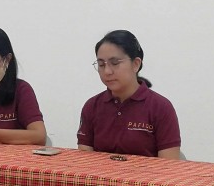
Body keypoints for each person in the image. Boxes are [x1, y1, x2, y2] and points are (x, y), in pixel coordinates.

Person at [77, 30, 181, 159]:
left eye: (115, 63)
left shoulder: (160, 107)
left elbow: (169, 166)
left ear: (136, 64)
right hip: (101, 178)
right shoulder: (92, 106)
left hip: (147, 178)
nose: (107, 71)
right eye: (101, 64)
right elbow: (85, 160)